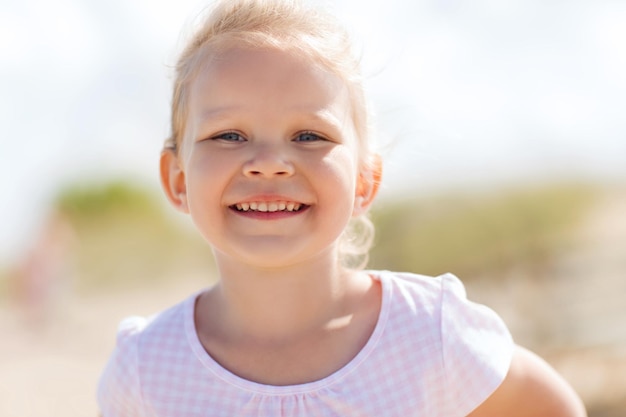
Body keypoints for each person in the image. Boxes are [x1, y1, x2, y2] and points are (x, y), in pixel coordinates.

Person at [97, 0, 587, 415]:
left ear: (364, 181)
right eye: (228, 135)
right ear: (177, 179)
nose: (268, 164)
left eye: (309, 135)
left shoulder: (429, 333)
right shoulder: (145, 369)